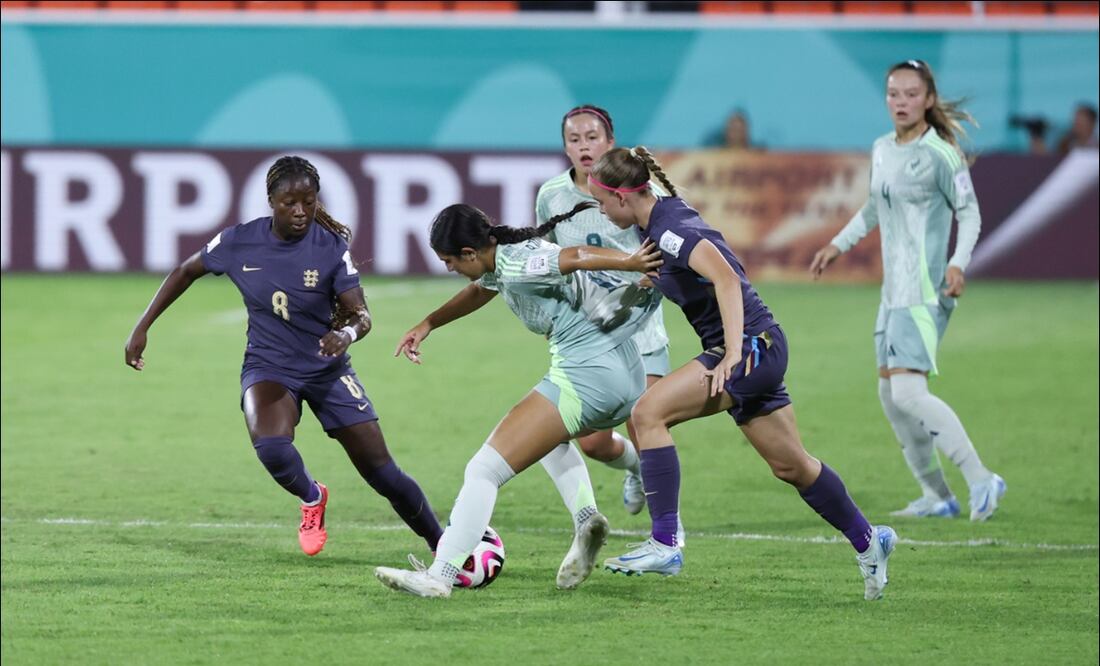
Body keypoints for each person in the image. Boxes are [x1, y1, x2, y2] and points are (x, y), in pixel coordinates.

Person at [587, 146, 897, 601]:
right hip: (760, 347)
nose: (599, 209)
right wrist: (635, 289)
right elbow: (680, 276)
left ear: (620, 196)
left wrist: (732, 351)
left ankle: (665, 543)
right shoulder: (653, 226)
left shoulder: (669, 230)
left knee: (648, 413)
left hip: (749, 348)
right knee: (792, 466)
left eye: (600, 201)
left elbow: (727, 278)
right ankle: (870, 540)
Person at [124, 155, 444, 557]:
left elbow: (362, 315)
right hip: (269, 366)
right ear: (271, 202)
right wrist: (143, 326)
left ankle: (443, 545)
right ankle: (312, 497)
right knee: (272, 447)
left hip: (328, 371)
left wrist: (345, 334)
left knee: (383, 474)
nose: (300, 211)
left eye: (309, 202)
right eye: (289, 203)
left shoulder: (330, 248)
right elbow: (186, 271)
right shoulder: (238, 241)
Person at [373, 202, 663, 598]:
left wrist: (630, 261)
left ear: (469, 253)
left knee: (484, 470)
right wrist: (428, 324)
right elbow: (481, 289)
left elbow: (574, 256)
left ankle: (440, 575)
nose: (449, 269)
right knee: (548, 439)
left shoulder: (518, 263)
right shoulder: (502, 259)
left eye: (449, 261)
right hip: (624, 371)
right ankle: (589, 516)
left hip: (589, 375)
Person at [809, 60, 1006, 522]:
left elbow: (970, 213)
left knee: (909, 393)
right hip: (892, 294)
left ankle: (981, 478)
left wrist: (958, 263)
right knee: (890, 395)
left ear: (929, 99)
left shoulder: (942, 154)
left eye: (911, 94)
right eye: (894, 93)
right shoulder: (882, 148)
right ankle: (937, 495)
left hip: (925, 292)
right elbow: (873, 207)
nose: (901, 102)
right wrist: (837, 244)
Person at [536, 104, 678, 532]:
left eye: (592, 137)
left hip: (642, 331)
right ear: (565, 147)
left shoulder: (642, 189)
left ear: (610, 142)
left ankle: (668, 532)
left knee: (645, 423)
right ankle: (635, 470)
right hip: (590, 336)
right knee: (594, 443)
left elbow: (671, 246)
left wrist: (649, 281)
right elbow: (548, 256)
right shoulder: (551, 196)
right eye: (574, 139)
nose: (584, 146)